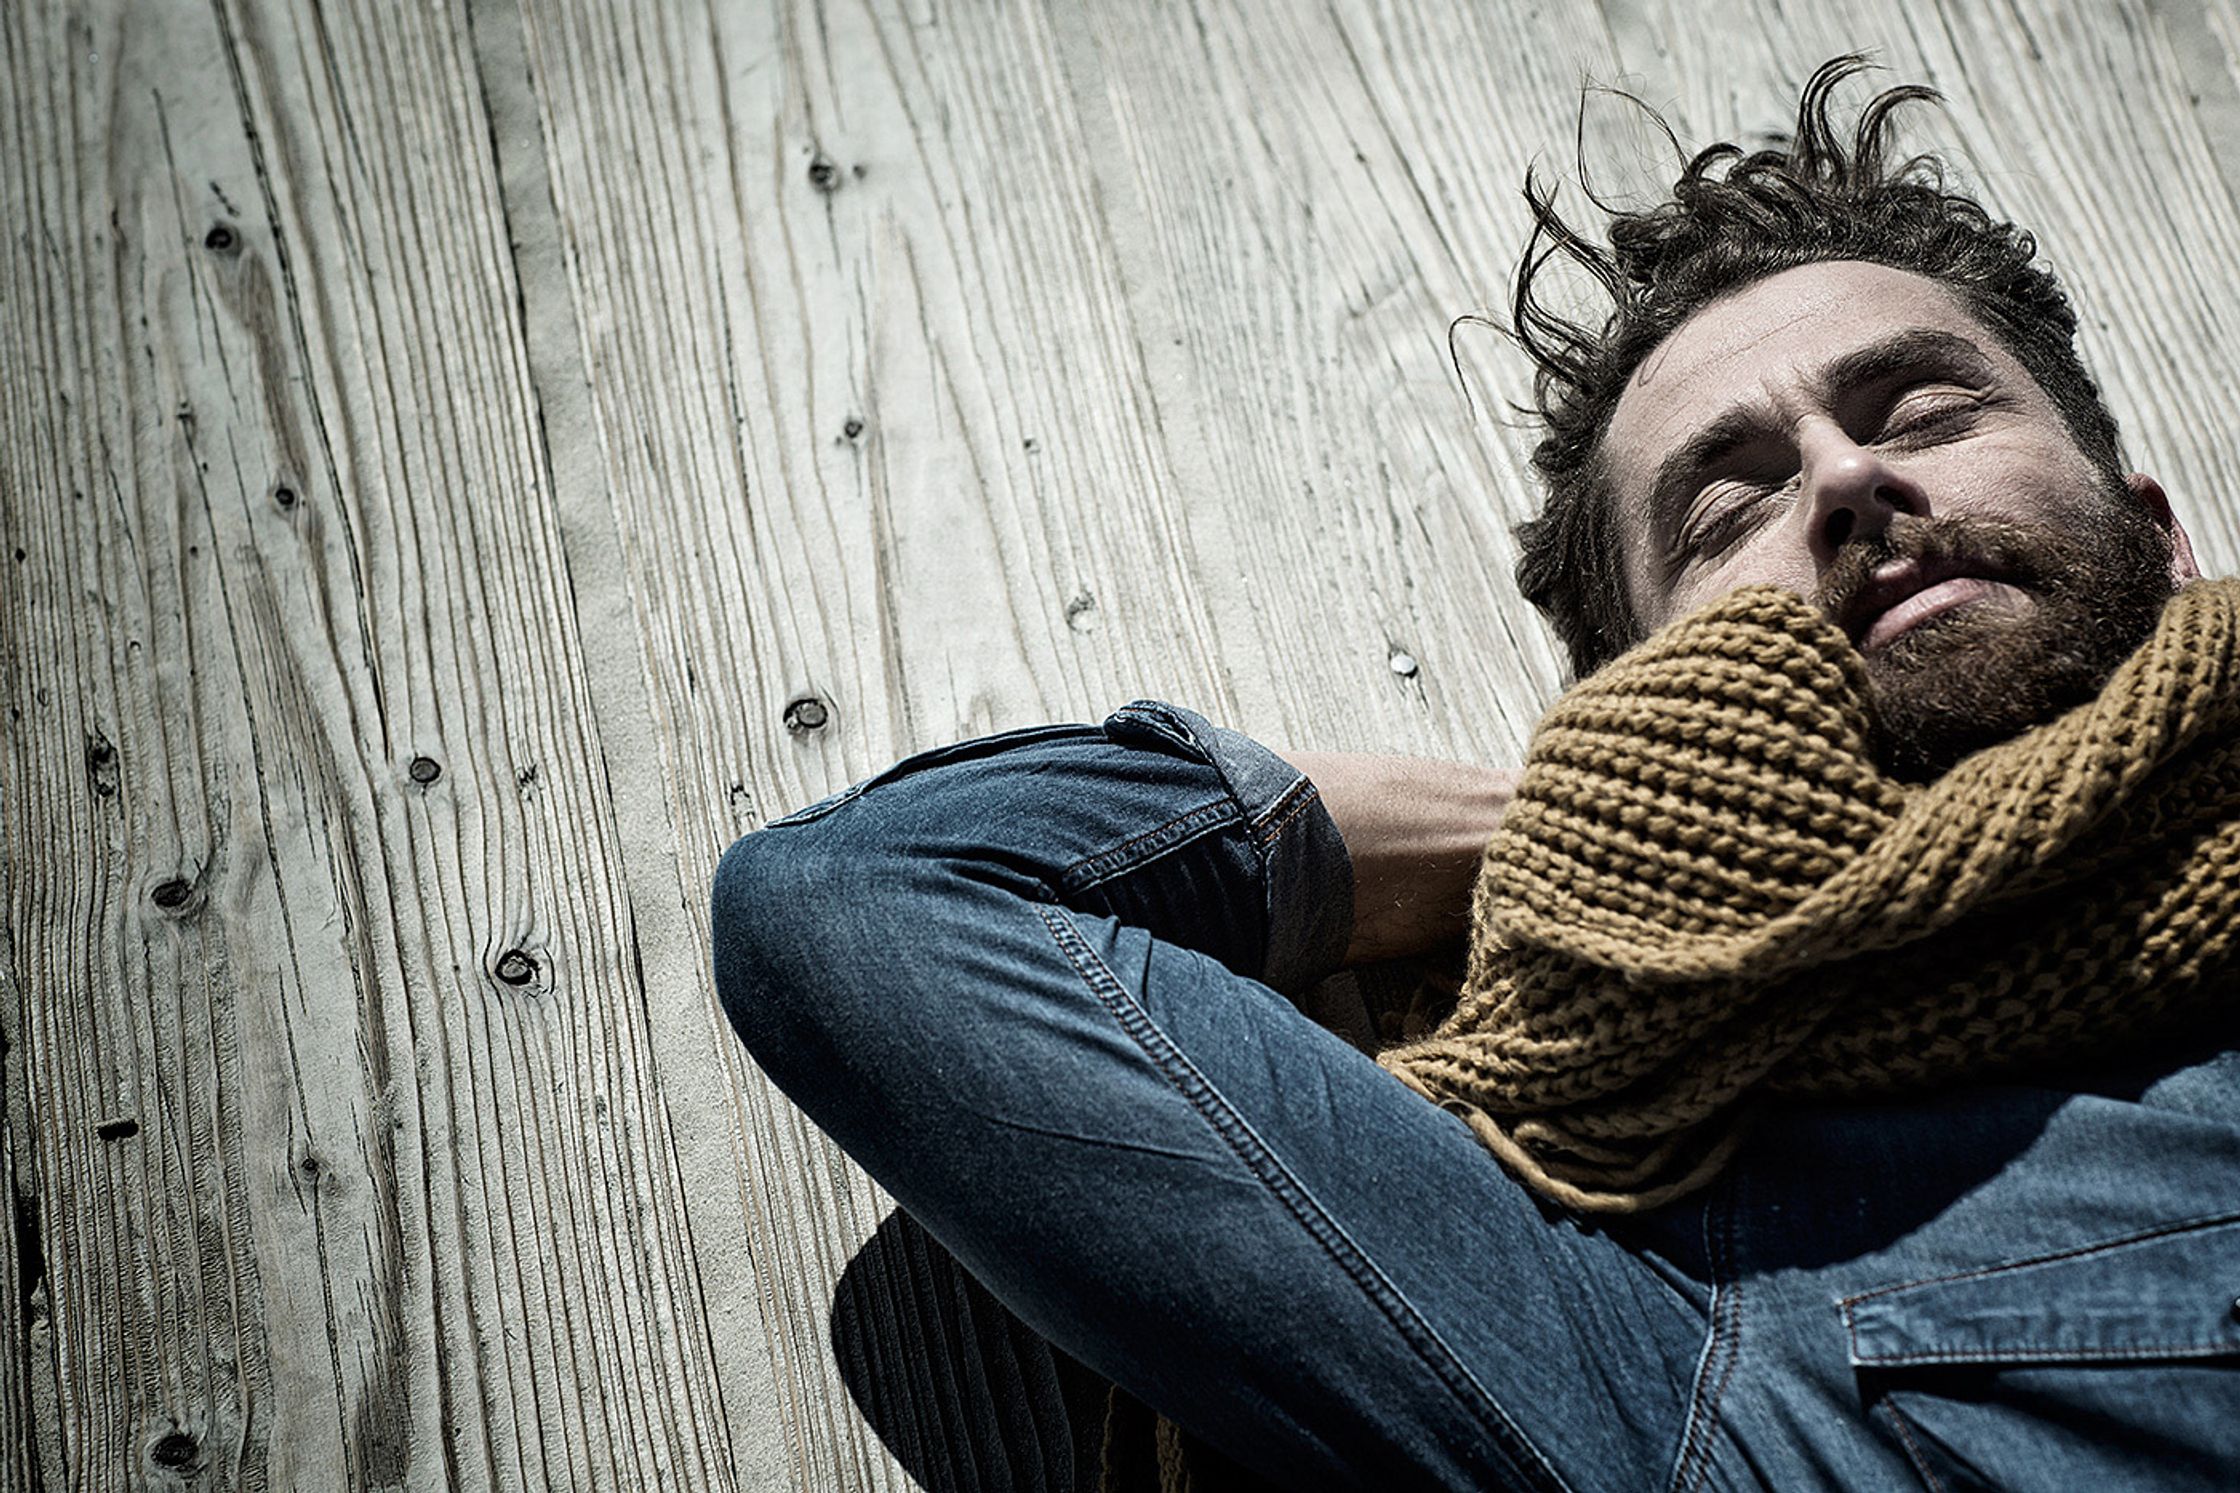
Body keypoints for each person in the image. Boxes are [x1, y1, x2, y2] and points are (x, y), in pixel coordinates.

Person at [708, 56, 2240, 1492]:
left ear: (2157, 529)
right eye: (1726, 511)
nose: (1849, 478)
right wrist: (1596, 842)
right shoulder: (1651, 1321)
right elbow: (871, 898)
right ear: (1653, 699)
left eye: (1923, 411)